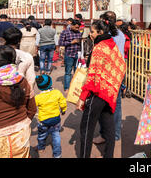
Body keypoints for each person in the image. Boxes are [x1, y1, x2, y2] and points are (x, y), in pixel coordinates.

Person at [76, 20, 126, 158]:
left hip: (97, 93)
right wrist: (113, 85)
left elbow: (92, 76)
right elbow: (122, 66)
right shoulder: (112, 44)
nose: (90, 34)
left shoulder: (99, 47)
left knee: (86, 128)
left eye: (92, 31)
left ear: (100, 32)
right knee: (109, 129)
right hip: (109, 94)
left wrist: (82, 98)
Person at [35, 74, 67, 158]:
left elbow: (32, 107)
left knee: (41, 136)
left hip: (43, 121)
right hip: (55, 119)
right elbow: (63, 102)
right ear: (50, 84)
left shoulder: (38, 97)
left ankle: (41, 148)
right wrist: (63, 110)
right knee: (56, 136)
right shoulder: (57, 93)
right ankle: (57, 154)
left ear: (39, 87)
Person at [2, 27, 36, 94]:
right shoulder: (26, 56)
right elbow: (31, 80)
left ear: (4, 40)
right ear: (20, 41)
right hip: (18, 92)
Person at [58, 19, 82, 92]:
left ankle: (75, 88)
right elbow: (61, 43)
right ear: (71, 25)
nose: (77, 29)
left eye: (78, 27)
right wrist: (71, 42)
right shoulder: (65, 32)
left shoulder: (78, 32)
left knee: (76, 72)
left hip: (77, 54)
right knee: (68, 72)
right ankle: (67, 88)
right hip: (69, 54)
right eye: (76, 27)